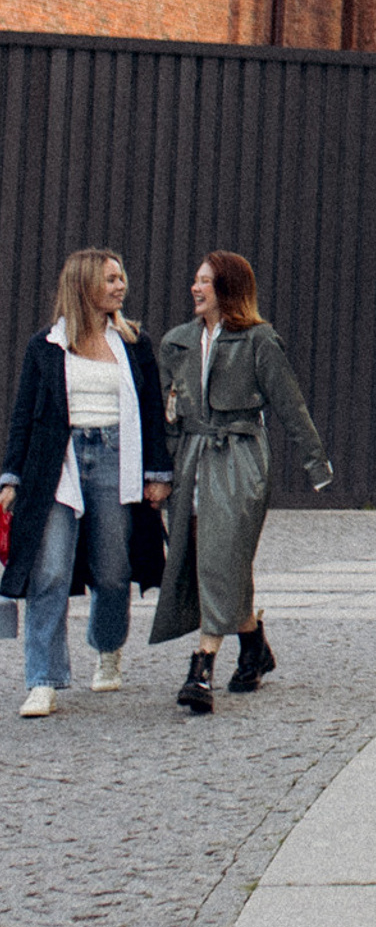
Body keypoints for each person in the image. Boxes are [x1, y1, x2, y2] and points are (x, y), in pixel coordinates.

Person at [152, 250, 332, 715]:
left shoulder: (259, 341)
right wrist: (161, 472)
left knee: (223, 553)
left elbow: (290, 405)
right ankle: (253, 647)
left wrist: (316, 465)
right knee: (202, 557)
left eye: (205, 282)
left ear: (227, 288)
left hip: (239, 458)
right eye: (194, 280)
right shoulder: (177, 342)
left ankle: (202, 667)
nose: (195, 288)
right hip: (193, 456)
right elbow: (167, 414)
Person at [2, 249, 171, 717]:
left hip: (117, 456)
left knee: (113, 567)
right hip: (57, 465)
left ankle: (108, 647)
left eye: (122, 277)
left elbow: (153, 411)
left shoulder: (135, 343)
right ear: (84, 286)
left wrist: (159, 473)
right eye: (111, 279)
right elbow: (22, 418)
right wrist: (10, 477)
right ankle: (43, 680)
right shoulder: (46, 346)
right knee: (49, 569)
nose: (120, 286)